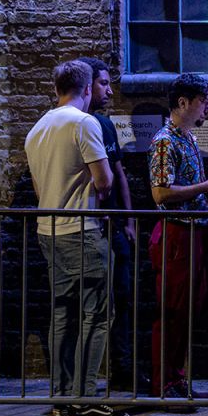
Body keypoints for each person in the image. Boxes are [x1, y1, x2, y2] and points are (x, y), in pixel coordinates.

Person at [25, 60, 128, 416]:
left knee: (62, 315)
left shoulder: (37, 129)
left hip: (48, 231)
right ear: (86, 89)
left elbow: (40, 189)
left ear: (57, 89)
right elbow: (104, 181)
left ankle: (62, 396)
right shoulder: (83, 124)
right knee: (97, 314)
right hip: (81, 230)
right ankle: (85, 399)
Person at [147, 73, 208, 404]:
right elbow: (160, 193)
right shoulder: (164, 141)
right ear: (183, 103)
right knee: (172, 309)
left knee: (188, 308)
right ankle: (164, 383)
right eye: (204, 102)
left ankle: (176, 378)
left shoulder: (187, 139)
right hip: (176, 233)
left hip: (193, 230)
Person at [79, 57, 145, 393]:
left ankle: (122, 367)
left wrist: (129, 220)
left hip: (115, 226)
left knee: (122, 297)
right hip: (89, 227)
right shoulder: (77, 125)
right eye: (103, 83)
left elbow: (118, 173)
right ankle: (87, 377)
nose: (109, 90)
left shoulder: (104, 124)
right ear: (87, 86)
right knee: (92, 304)